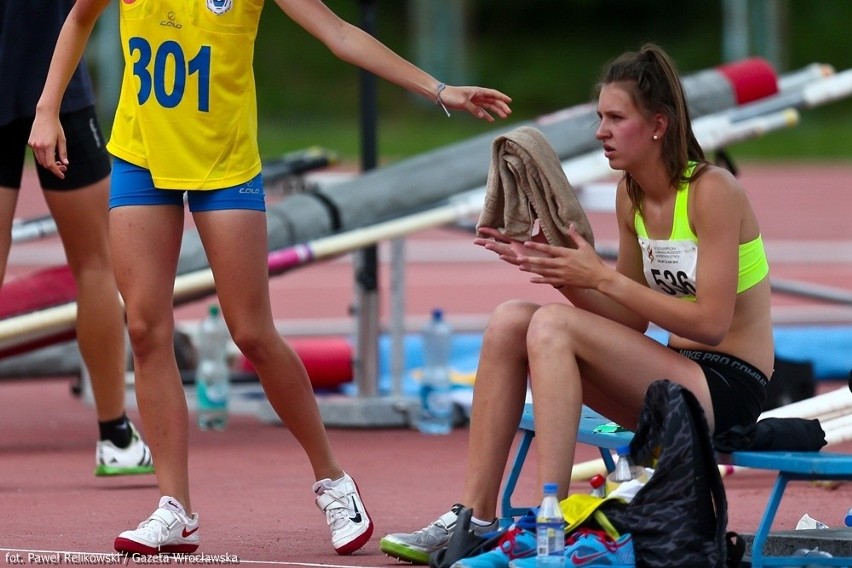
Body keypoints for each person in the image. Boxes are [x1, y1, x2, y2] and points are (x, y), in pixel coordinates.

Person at [29, 0, 512, 557]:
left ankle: (332, 479)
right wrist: (47, 110)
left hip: (224, 164)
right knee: (143, 327)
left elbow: (339, 34)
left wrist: (438, 89)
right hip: (141, 156)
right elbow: (78, 17)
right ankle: (175, 508)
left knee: (251, 331)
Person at [380, 42, 773, 563]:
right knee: (511, 320)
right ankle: (475, 518)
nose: (600, 131)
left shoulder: (712, 190)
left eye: (615, 118)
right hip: (670, 382)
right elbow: (631, 320)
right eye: (599, 117)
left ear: (658, 124)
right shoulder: (631, 193)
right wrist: (554, 267)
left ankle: (552, 522)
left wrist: (601, 280)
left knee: (553, 328)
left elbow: (710, 324)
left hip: (726, 387)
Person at [0, 1, 154, 478]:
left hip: (56, 82)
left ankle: (116, 433)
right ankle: (115, 434)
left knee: (97, 263)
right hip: (56, 82)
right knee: (96, 264)